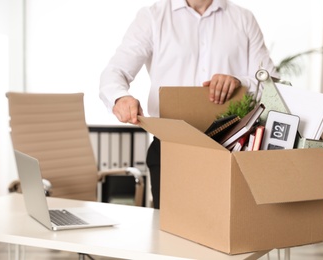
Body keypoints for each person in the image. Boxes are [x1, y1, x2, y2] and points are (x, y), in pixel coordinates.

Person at [99, 0, 277, 209]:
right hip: (170, 148)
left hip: (230, 148)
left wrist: (241, 81)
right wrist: (120, 97)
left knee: (225, 234)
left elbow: (272, 83)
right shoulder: (153, 17)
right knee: (170, 235)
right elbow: (115, 72)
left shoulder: (243, 19)